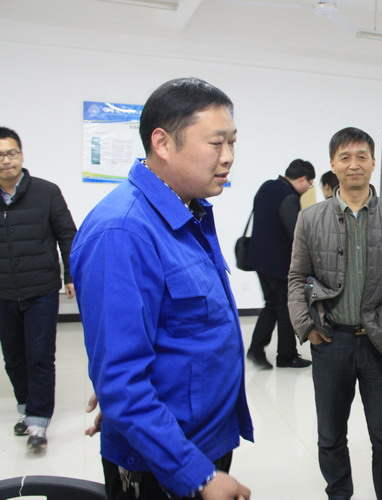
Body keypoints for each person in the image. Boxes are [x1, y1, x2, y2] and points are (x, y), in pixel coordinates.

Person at [70, 78, 252, 500]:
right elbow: (120, 381)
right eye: (216, 143)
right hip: (168, 463)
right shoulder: (123, 231)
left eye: (233, 143)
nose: (228, 157)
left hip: (199, 438)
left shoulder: (188, 212)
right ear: (163, 143)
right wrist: (199, 477)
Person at [288, 127, 382, 500]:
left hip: (380, 342)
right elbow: (296, 277)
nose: (353, 164)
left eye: (361, 157)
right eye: (345, 157)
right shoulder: (311, 218)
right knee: (330, 435)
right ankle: (338, 494)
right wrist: (306, 326)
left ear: (373, 162)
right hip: (331, 339)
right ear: (332, 164)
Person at [0, 126, 77, 450]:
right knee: (14, 359)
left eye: (11, 153)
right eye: (0, 155)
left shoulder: (47, 192)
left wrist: (71, 275)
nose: (6, 160)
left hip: (41, 290)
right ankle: (25, 408)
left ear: (21, 155)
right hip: (4, 292)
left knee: (40, 356)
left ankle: (38, 422)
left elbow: (67, 235)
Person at [245, 158, 315, 369]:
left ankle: (256, 349)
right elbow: (296, 233)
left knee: (272, 305)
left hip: (259, 259)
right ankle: (286, 356)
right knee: (285, 310)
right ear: (302, 179)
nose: (309, 188)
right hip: (278, 264)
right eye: (310, 183)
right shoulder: (289, 197)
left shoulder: (267, 187)